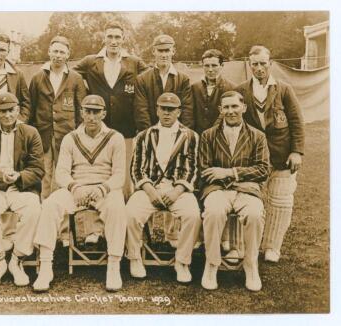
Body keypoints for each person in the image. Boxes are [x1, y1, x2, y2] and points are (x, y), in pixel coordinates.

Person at [33, 95, 127, 292]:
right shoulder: (71, 138)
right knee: (50, 205)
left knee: (117, 208)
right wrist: (75, 187)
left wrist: (102, 188)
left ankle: (113, 265)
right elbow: (62, 172)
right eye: (88, 111)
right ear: (82, 113)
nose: (92, 117)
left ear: (104, 113)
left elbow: (119, 175)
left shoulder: (115, 137)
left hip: (104, 189)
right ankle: (46, 266)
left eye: (96, 112)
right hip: (77, 188)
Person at [235, 45, 305, 263]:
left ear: (270, 64)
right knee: (248, 200)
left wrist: (296, 151)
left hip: (281, 156)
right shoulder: (241, 91)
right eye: (254, 64)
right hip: (252, 158)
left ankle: (272, 246)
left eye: (263, 63)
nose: (259, 68)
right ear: (249, 65)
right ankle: (245, 246)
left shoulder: (284, 89)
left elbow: (296, 122)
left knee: (281, 201)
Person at [199, 91, 271, 291]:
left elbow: (264, 170)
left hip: (247, 191)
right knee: (213, 212)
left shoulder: (258, 136)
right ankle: (212, 264)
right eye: (226, 107)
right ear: (220, 110)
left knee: (255, 214)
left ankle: (251, 264)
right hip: (218, 191)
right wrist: (232, 178)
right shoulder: (208, 135)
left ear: (244, 108)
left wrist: (229, 172)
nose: (231, 111)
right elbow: (205, 170)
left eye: (235, 107)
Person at [126, 92, 201, 283]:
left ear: (179, 112)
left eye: (171, 110)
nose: (167, 114)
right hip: (150, 188)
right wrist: (150, 190)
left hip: (178, 190)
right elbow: (136, 169)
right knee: (131, 213)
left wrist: (177, 191)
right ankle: (135, 257)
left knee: (193, 215)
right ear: (156, 110)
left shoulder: (191, 136)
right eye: (163, 109)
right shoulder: (144, 136)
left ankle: (182, 261)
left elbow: (192, 170)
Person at [0, 92, 44, 288]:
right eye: (2, 111)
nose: (7, 115)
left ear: (18, 110)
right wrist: (1, 177)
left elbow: (38, 168)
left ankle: (17, 259)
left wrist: (20, 176)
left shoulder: (31, 132)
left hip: (21, 188)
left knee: (34, 209)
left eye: (11, 110)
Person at [73, 21, 147, 199]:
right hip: (98, 127)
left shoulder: (134, 62)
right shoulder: (91, 61)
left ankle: (126, 210)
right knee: (100, 169)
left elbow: (150, 80)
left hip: (127, 126)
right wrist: (84, 93)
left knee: (126, 172)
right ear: (104, 39)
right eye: (110, 37)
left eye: (117, 37)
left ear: (123, 39)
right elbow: (70, 77)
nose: (113, 41)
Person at [29, 36, 86, 199]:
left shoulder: (75, 78)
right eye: (55, 51)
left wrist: (77, 135)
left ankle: (67, 215)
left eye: (62, 52)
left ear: (68, 55)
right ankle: (42, 209)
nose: (58, 55)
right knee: (44, 176)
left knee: (67, 176)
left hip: (67, 137)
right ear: (49, 52)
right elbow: (31, 109)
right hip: (44, 137)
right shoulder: (37, 78)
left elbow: (81, 111)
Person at [134, 34, 193, 132]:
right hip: (151, 133)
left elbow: (187, 111)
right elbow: (141, 111)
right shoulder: (142, 79)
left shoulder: (183, 79)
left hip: (176, 134)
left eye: (167, 50)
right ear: (154, 51)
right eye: (160, 51)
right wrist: (150, 136)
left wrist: (181, 136)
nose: (164, 55)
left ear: (173, 51)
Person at [191, 49, 235, 134]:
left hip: (222, 136)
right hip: (199, 135)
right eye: (207, 66)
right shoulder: (194, 87)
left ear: (221, 65)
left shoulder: (232, 88)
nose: (210, 70)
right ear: (202, 66)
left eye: (214, 65)